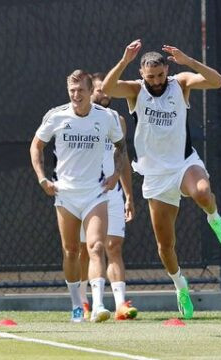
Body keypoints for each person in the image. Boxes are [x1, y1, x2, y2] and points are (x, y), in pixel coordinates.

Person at [102, 40, 221, 320]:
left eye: (160, 75)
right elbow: (106, 89)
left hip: (184, 163)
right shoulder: (136, 91)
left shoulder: (180, 83)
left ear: (167, 70)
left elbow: (218, 81)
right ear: (142, 74)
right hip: (155, 175)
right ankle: (180, 286)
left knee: (201, 192)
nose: (157, 81)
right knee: (165, 246)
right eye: (151, 77)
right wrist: (124, 60)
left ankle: (213, 217)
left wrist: (189, 61)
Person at [30, 70, 126, 323]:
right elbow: (36, 146)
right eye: (72, 91)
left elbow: (120, 145)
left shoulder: (105, 118)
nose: (76, 95)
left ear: (90, 91)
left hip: (96, 193)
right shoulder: (56, 116)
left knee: (96, 246)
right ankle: (76, 303)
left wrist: (116, 173)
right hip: (65, 195)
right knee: (71, 251)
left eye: (80, 90)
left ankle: (98, 306)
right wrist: (42, 178)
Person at [77, 72, 137, 321]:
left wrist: (128, 196)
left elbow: (121, 159)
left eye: (106, 90)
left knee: (113, 246)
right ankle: (85, 302)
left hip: (111, 192)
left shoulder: (117, 119)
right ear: (90, 92)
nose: (104, 94)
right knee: (87, 250)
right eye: (99, 89)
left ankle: (121, 305)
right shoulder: (77, 119)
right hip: (84, 194)